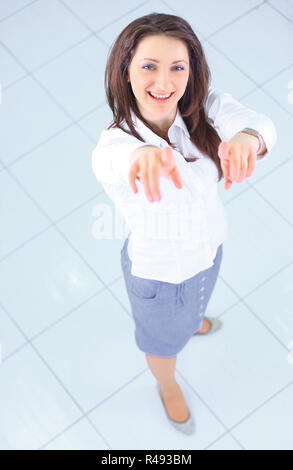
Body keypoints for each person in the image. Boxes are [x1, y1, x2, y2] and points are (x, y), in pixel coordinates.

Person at [91, 12, 277, 434]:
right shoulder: (116, 144)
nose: (165, 82)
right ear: (126, 70)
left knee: (197, 303)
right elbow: (114, 161)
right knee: (162, 342)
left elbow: (262, 125)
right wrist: (143, 158)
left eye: (178, 67)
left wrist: (248, 138)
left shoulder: (203, 108)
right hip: (163, 277)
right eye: (149, 66)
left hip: (210, 248)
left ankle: (192, 321)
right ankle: (167, 382)